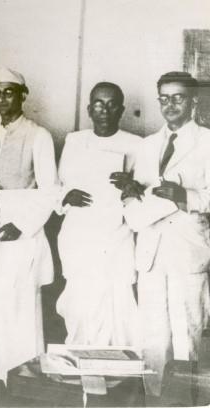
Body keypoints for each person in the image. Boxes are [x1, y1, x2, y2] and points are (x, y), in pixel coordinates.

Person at [111, 71, 210, 396]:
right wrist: (131, 191)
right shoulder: (148, 145)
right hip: (151, 252)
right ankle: (155, 400)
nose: (170, 105)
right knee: (153, 337)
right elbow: (141, 192)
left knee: (187, 335)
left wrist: (185, 196)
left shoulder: (207, 142)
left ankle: (188, 401)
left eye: (178, 97)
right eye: (164, 98)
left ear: (193, 101)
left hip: (188, 251)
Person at [0, 67, 58, 384]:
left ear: (23, 95)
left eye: (9, 92)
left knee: (20, 304)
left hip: (22, 236)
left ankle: (23, 374)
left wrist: (21, 224)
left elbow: (50, 190)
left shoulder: (39, 135)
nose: (2, 99)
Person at [56, 82, 141, 346]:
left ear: (121, 110)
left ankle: (116, 366)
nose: (105, 110)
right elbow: (60, 185)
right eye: (99, 104)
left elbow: (143, 192)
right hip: (79, 235)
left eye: (112, 104)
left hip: (116, 237)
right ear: (89, 109)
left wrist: (130, 185)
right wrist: (66, 196)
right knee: (80, 305)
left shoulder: (136, 144)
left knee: (117, 305)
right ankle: (80, 361)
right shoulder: (75, 140)